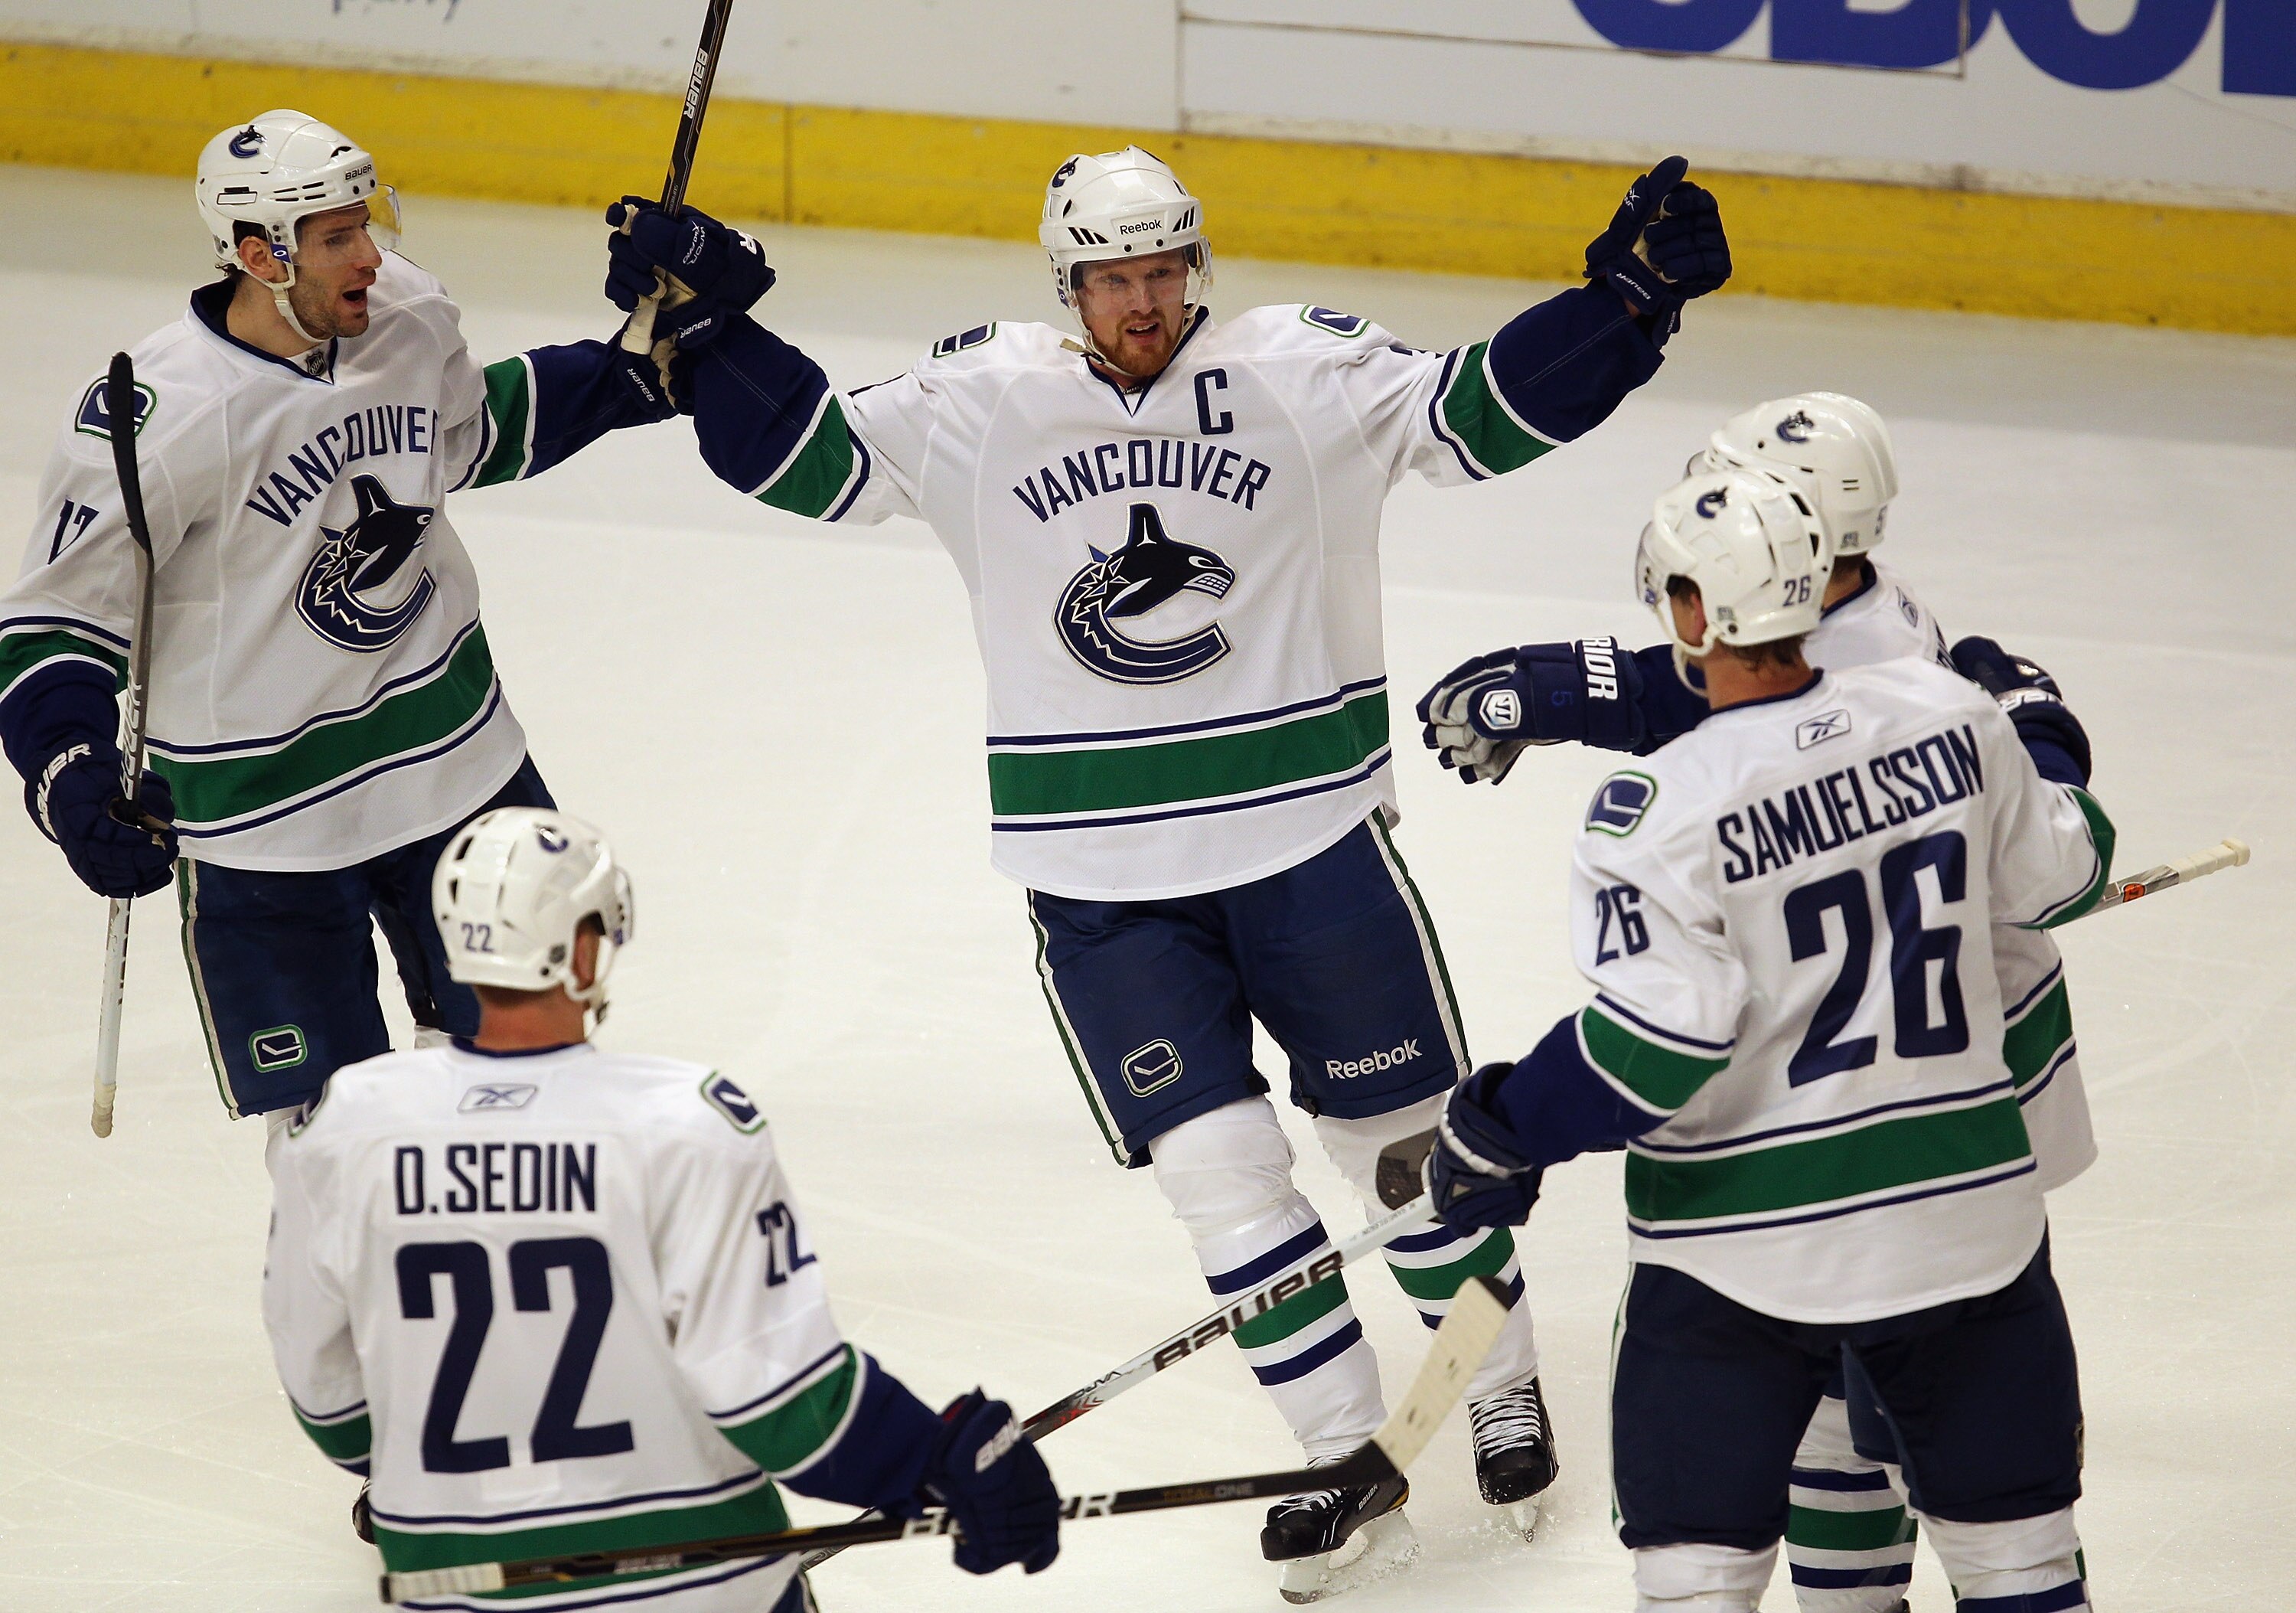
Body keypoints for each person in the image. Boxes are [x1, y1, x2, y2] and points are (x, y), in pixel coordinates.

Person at [602, 145, 1733, 1595]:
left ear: (1194, 267)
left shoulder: (1304, 373)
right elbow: (810, 459)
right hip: (1100, 884)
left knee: (1402, 1156)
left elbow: (1484, 411)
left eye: (1164, 272)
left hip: (1307, 845)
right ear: (1062, 281)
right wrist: (709, 334)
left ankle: (1494, 1374)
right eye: (1113, 278)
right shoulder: (981, 398)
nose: (1143, 302)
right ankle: (1343, 1449)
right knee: (1222, 1185)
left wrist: (1627, 302)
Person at [1416, 393, 2096, 1611]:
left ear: (1693, 607)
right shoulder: (1951, 713)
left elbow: (1661, 1041)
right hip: (1968, 1205)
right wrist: (2041, 735)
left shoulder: (1659, 807)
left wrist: (1504, 1122)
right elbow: (2067, 861)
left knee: (1699, 1572)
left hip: (1752, 1240)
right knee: (2023, 1567)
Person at [0, 109, 687, 1123]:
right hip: (263, 817)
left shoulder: (404, 314)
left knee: (531, 1089)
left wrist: (628, 365)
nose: (371, 254)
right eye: (335, 238)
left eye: (367, 224)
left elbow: (463, 436)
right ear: (254, 253)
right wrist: (70, 774)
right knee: (335, 1133)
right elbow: (55, 622)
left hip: (453, 763)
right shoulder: (159, 417)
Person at [261, 806, 1062, 1611]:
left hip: (453, 1587)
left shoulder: (342, 1130)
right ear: (579, 950)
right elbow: (781, 1403)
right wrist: (940, 1459)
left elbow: (329, 1399)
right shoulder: (680, 1125)